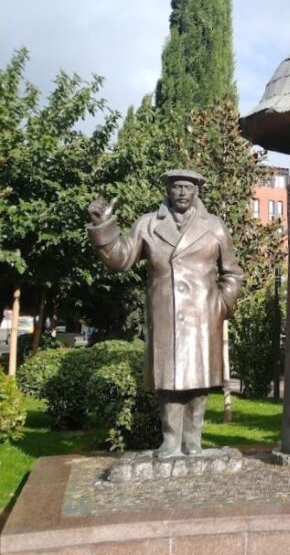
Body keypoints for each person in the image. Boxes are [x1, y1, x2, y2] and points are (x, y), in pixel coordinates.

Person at [87, 169, 243, 458]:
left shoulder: (215, 226)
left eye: (188, 187)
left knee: (199, 378)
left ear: (197, 190)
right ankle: (171, 440)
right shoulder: (148, 224)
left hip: (203, 314)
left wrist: (222, 305)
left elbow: (232, 272)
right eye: (176, 187)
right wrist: (103, 225)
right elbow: (121, 258)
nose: (182, 192)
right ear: (167, 190)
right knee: (169, 379)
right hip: (166, 314)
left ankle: (193, 440)